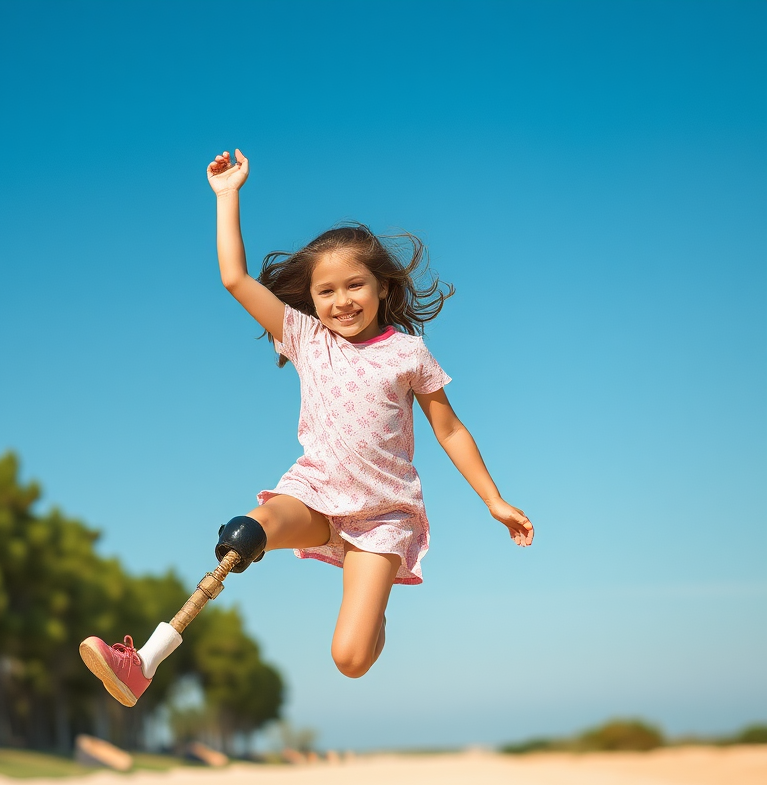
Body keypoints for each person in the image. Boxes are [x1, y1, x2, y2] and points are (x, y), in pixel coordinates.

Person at [80, 149, 533, 707]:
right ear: (311, 299)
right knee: (244, 533)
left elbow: (450, 430)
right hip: (315, 492)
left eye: (355, 286)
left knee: (350, 660)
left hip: (381, 514)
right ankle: (142, 662)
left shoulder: (408, 354)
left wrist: (494, 500)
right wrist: (227, 197)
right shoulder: (305, 338)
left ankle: (375, 610)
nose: (342, 301)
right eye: (326, 291)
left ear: (383, 288)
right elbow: (234, 278)